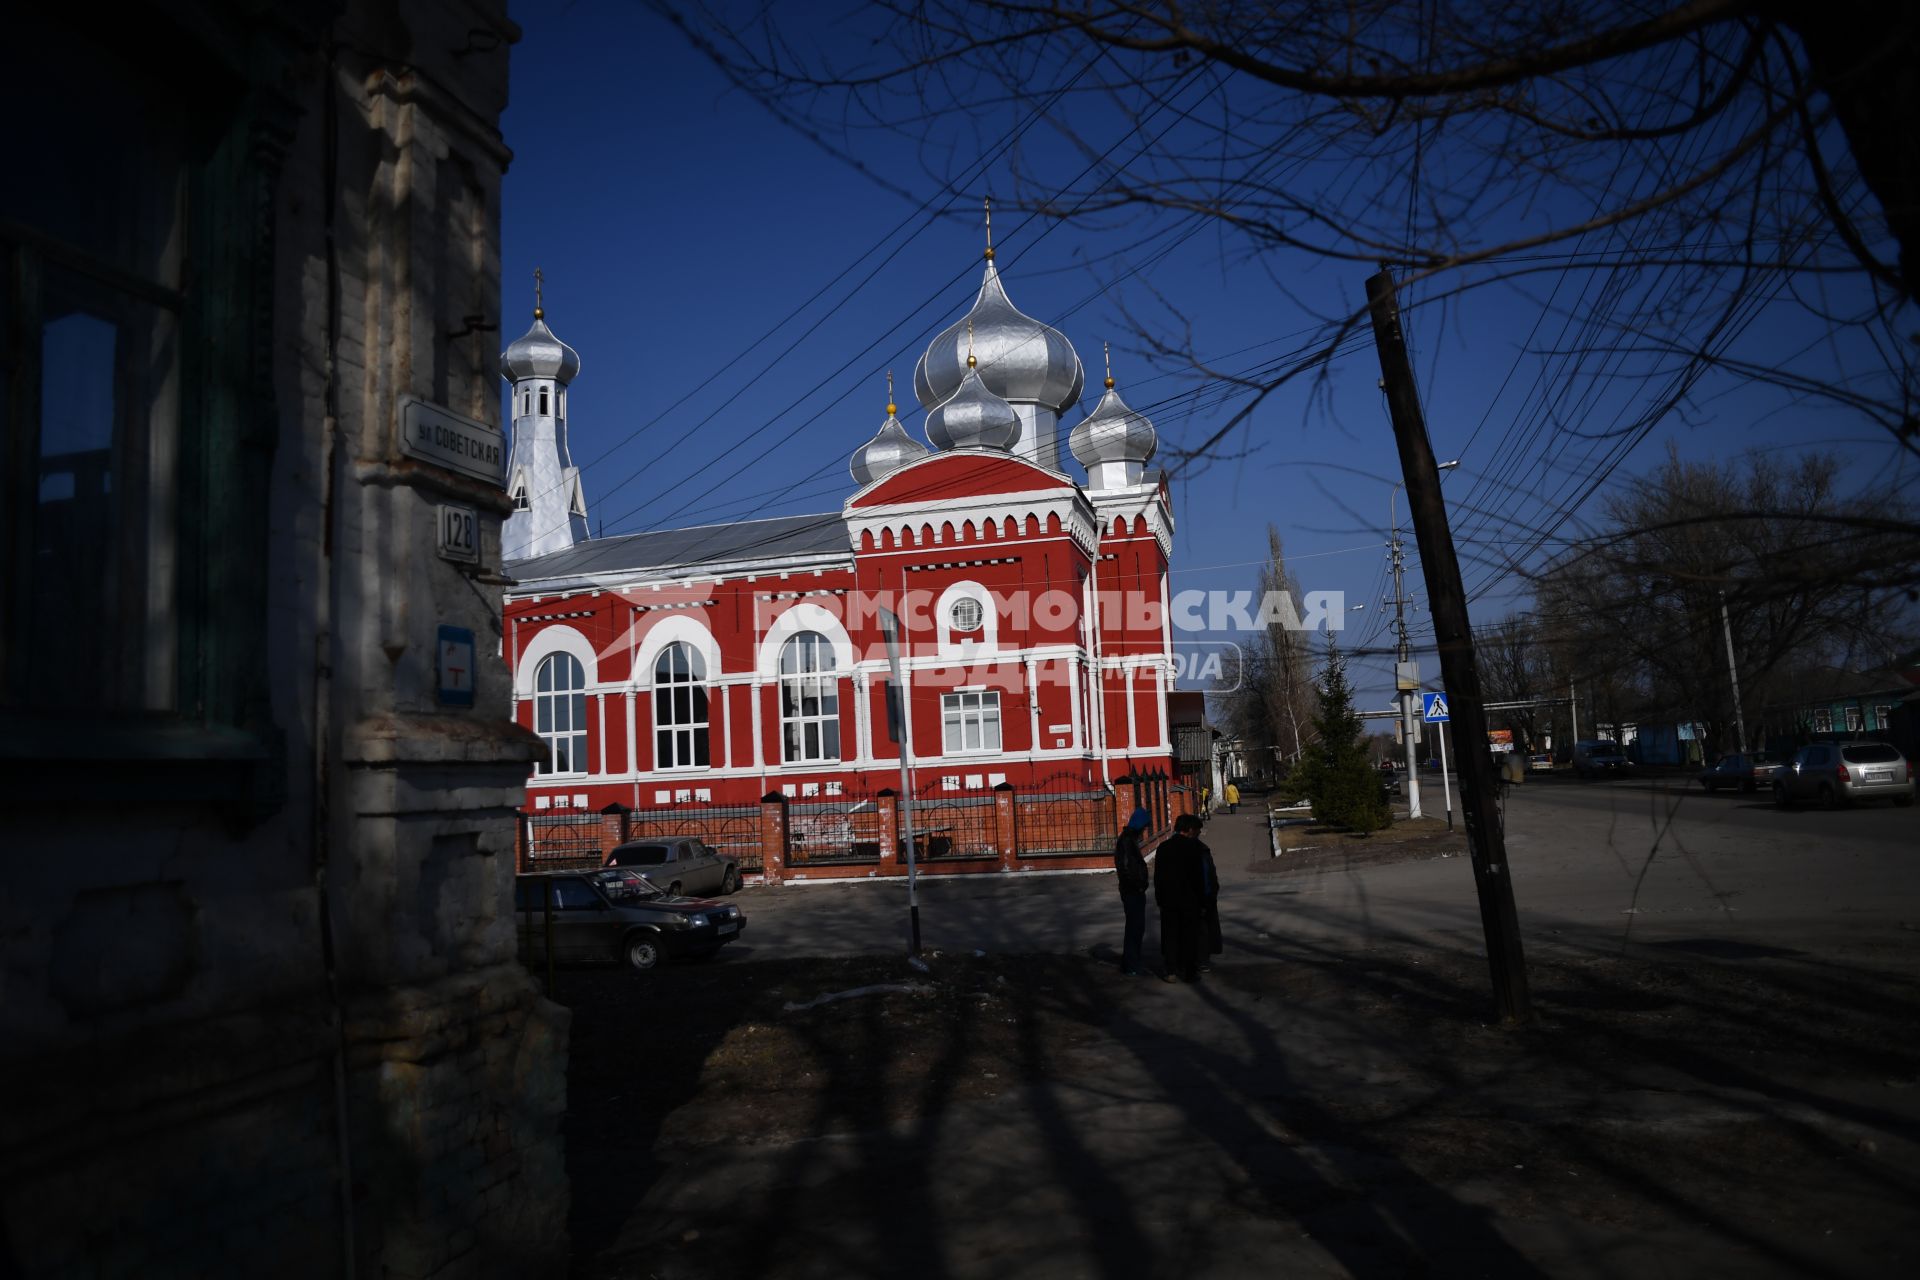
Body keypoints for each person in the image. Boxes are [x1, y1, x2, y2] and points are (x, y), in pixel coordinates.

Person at [1153, 813, 1209, 982]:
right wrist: (1203, 899)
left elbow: (1158, 877)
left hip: (1168, 900)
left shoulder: (1163, 848)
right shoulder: (1194, 848)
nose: (1198, 833)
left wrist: (1160, 898)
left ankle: (1171, 970)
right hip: (1189, 899)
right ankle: (1189, 972)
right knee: (1189, 936)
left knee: (1170, 935)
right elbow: (1199, 877)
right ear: (1190, 830)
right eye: (1197, 830)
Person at [1111, 806, 1151, 976]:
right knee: (1135, 927)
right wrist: (1139, 884)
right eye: (1144, 827)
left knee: (1136, 927)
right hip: (1132, 891)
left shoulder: (1128, 840)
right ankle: (1131, 964)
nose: (1145, 831)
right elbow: (1127, 868)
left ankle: (1132, 962)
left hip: (1132, 889)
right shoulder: (1127, 842)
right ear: (1140, 825)